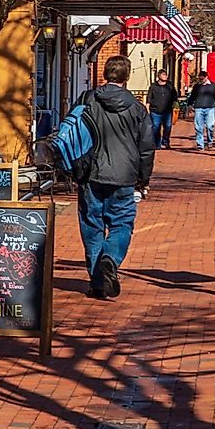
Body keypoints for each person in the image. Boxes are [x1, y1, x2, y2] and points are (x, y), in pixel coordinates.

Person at [76, 55, 156, 299]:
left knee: (92, 226)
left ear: (105, 74)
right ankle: (110, 258)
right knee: (121, 223)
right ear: (127, 76)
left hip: (92, 173)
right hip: (124, 175)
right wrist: (144, 178)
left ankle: (98, 283)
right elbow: (146, 147)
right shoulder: (137, 108)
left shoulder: (88, 100)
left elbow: (73, 133)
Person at [186, 67, 215, 151]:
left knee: (210, 126)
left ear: (206, 77)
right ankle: (200, 144)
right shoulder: (197, 86)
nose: (201, 80)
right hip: (199, 108)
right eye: (200, 78)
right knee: (198, 127)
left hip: (210, 108)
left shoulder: (213, 86)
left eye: (203, 78)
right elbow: (192, 97)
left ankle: (210, 141)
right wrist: (190, 105)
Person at [144, 70, 177, 149]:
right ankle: (157, 144)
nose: (165, 76)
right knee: (156, 127)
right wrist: (147, 107)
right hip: (155, 110)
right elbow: (149, 97)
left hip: (167, 111)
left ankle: (165, 142)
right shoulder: (154, 86)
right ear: (159, 76)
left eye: (166, 74)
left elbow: (175, 97)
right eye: (163, 75)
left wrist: (175, 106)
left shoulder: (170, 86)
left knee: (168, 126)